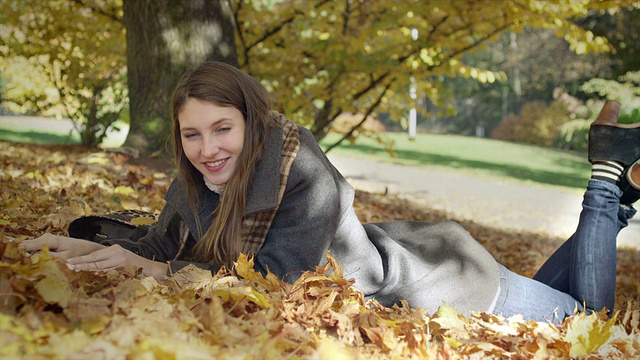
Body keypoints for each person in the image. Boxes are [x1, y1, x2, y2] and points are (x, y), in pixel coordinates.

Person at [20, 61, 640, 324]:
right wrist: (79, 242)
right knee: (572, 302)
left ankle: (608, 176)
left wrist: (152, 271)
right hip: (427, 255)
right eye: (192, 134)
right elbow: (162, 243)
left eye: (221, 129)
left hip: (449, 284)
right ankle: (620, 186)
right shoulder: (200, 178)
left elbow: (273, 283)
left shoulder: (297, 168)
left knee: (591, 323)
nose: (207, 147)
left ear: (251, 124)